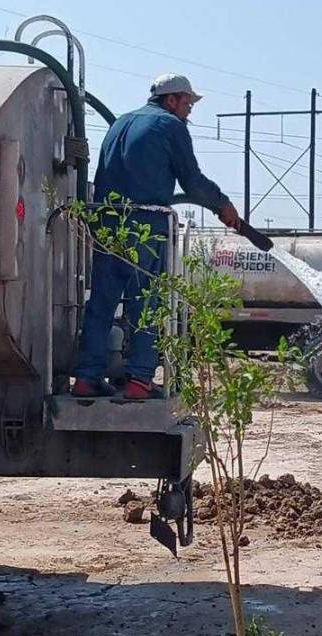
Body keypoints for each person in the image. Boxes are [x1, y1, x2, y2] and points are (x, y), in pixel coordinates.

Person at [72, 74, 243, 399]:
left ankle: (86, 377)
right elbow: (191, 181)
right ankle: (139, 380)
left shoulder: (120, 123)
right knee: (146, 304)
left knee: (101, 303)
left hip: (107, 221)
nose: (189, 112)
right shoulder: (170, 127)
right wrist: (222, 205)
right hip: (146, 224)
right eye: (187, 103)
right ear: (171, 99)